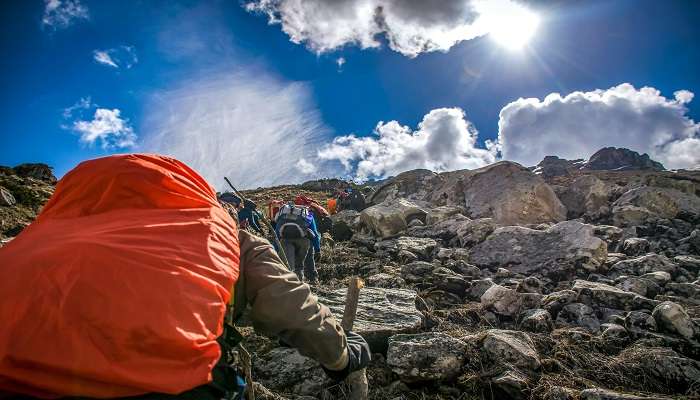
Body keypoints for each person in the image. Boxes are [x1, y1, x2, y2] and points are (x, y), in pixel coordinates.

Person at [0, 154, 370, 399]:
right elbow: (288, 301)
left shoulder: (26, 242)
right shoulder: (218, 229)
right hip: (169, 383)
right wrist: (340, 356)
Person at [274, 202, 320, 283]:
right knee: (301, 263)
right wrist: (317, 250)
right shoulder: (307, 215)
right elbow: (315, 234)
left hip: (285, 240)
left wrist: (275, 250)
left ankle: (290, 283)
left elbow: (277, 234)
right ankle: (312, 279)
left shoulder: (282, 216)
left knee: (289, 266)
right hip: (303, 241)